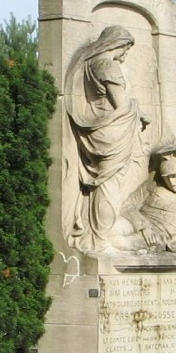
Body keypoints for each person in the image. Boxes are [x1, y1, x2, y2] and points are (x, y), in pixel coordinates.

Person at [64, 25, 152, 254]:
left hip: (101, 126)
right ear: (116, 43)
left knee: (104, 186)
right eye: (125, 49)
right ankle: (100, 240)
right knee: (109, 187)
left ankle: (97, 235)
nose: (124, 56)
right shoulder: (107, 65)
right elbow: (121, 104)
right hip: (113, 130)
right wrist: (138, 112)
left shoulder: (88, 64)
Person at [117, 151, 176, 257]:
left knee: (116, 242)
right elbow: (127, 206)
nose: (171, 181)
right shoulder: (152, 186)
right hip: (136, 224)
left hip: (156, 238)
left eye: (175, 176)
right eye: (166, 177)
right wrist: (144, 226)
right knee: (104, 231)